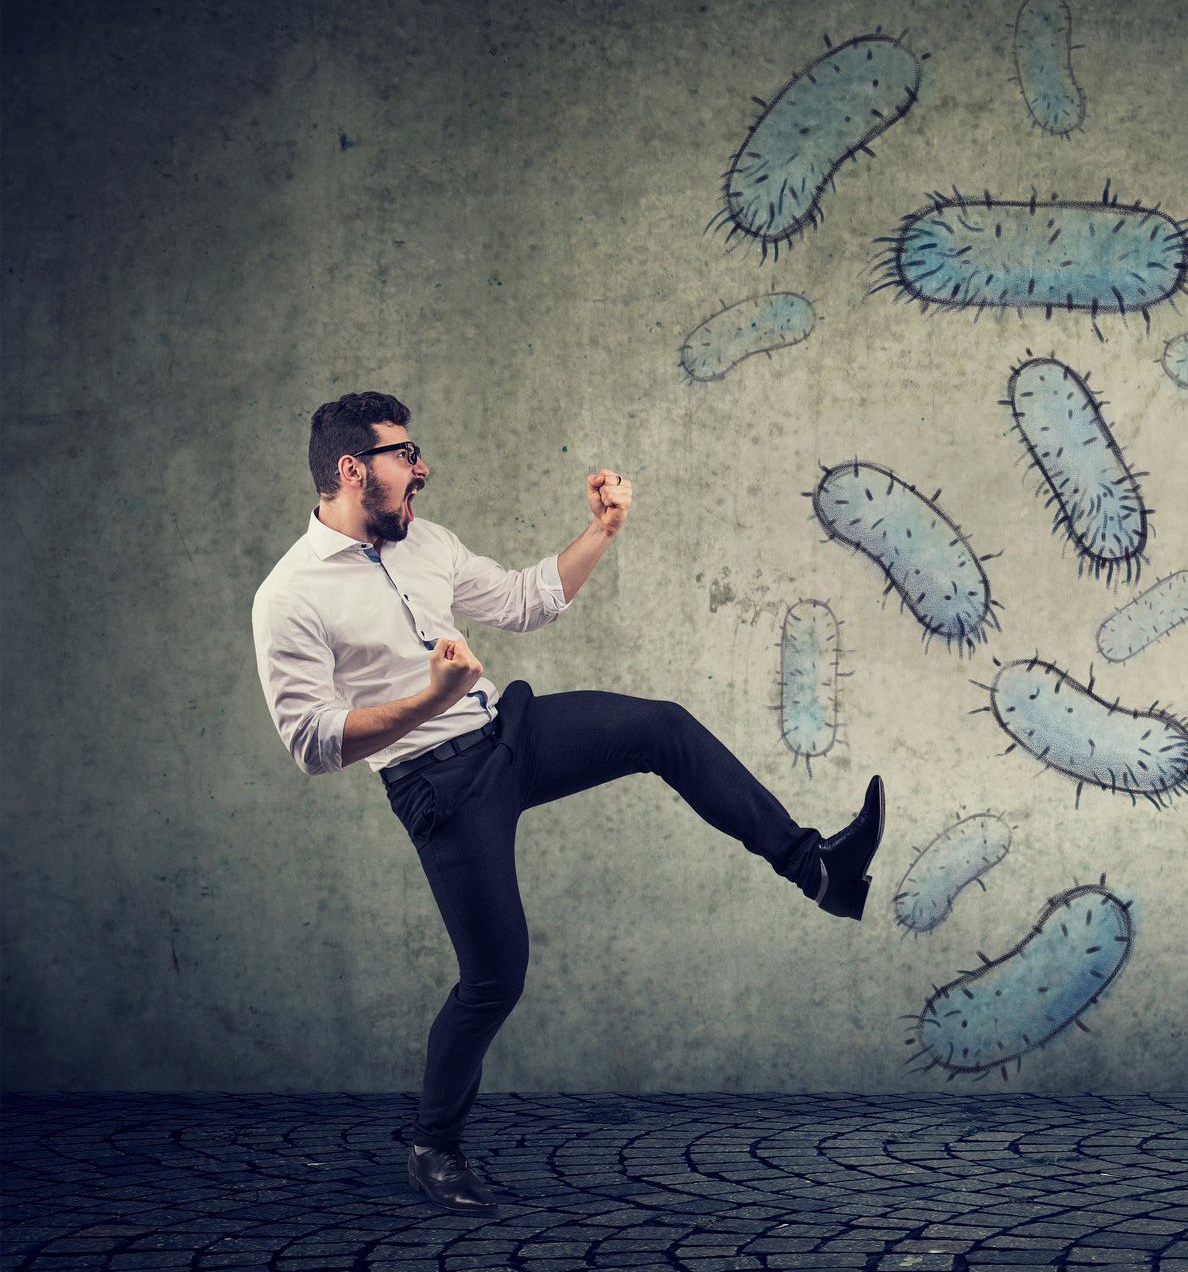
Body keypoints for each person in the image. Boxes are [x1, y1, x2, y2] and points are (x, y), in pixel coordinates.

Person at [252, 392, 885, 1215]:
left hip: (509, 736)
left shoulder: (427, 544)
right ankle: (433, 1146)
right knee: (493, 978)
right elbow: (313, 744)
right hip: (436, 787)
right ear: (351, 470)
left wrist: (604, 529)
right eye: (405, 454)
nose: (423, 468)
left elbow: (526, 600)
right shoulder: (289, 595)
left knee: (662, 728)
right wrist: (430, 699)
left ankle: (819, 869)